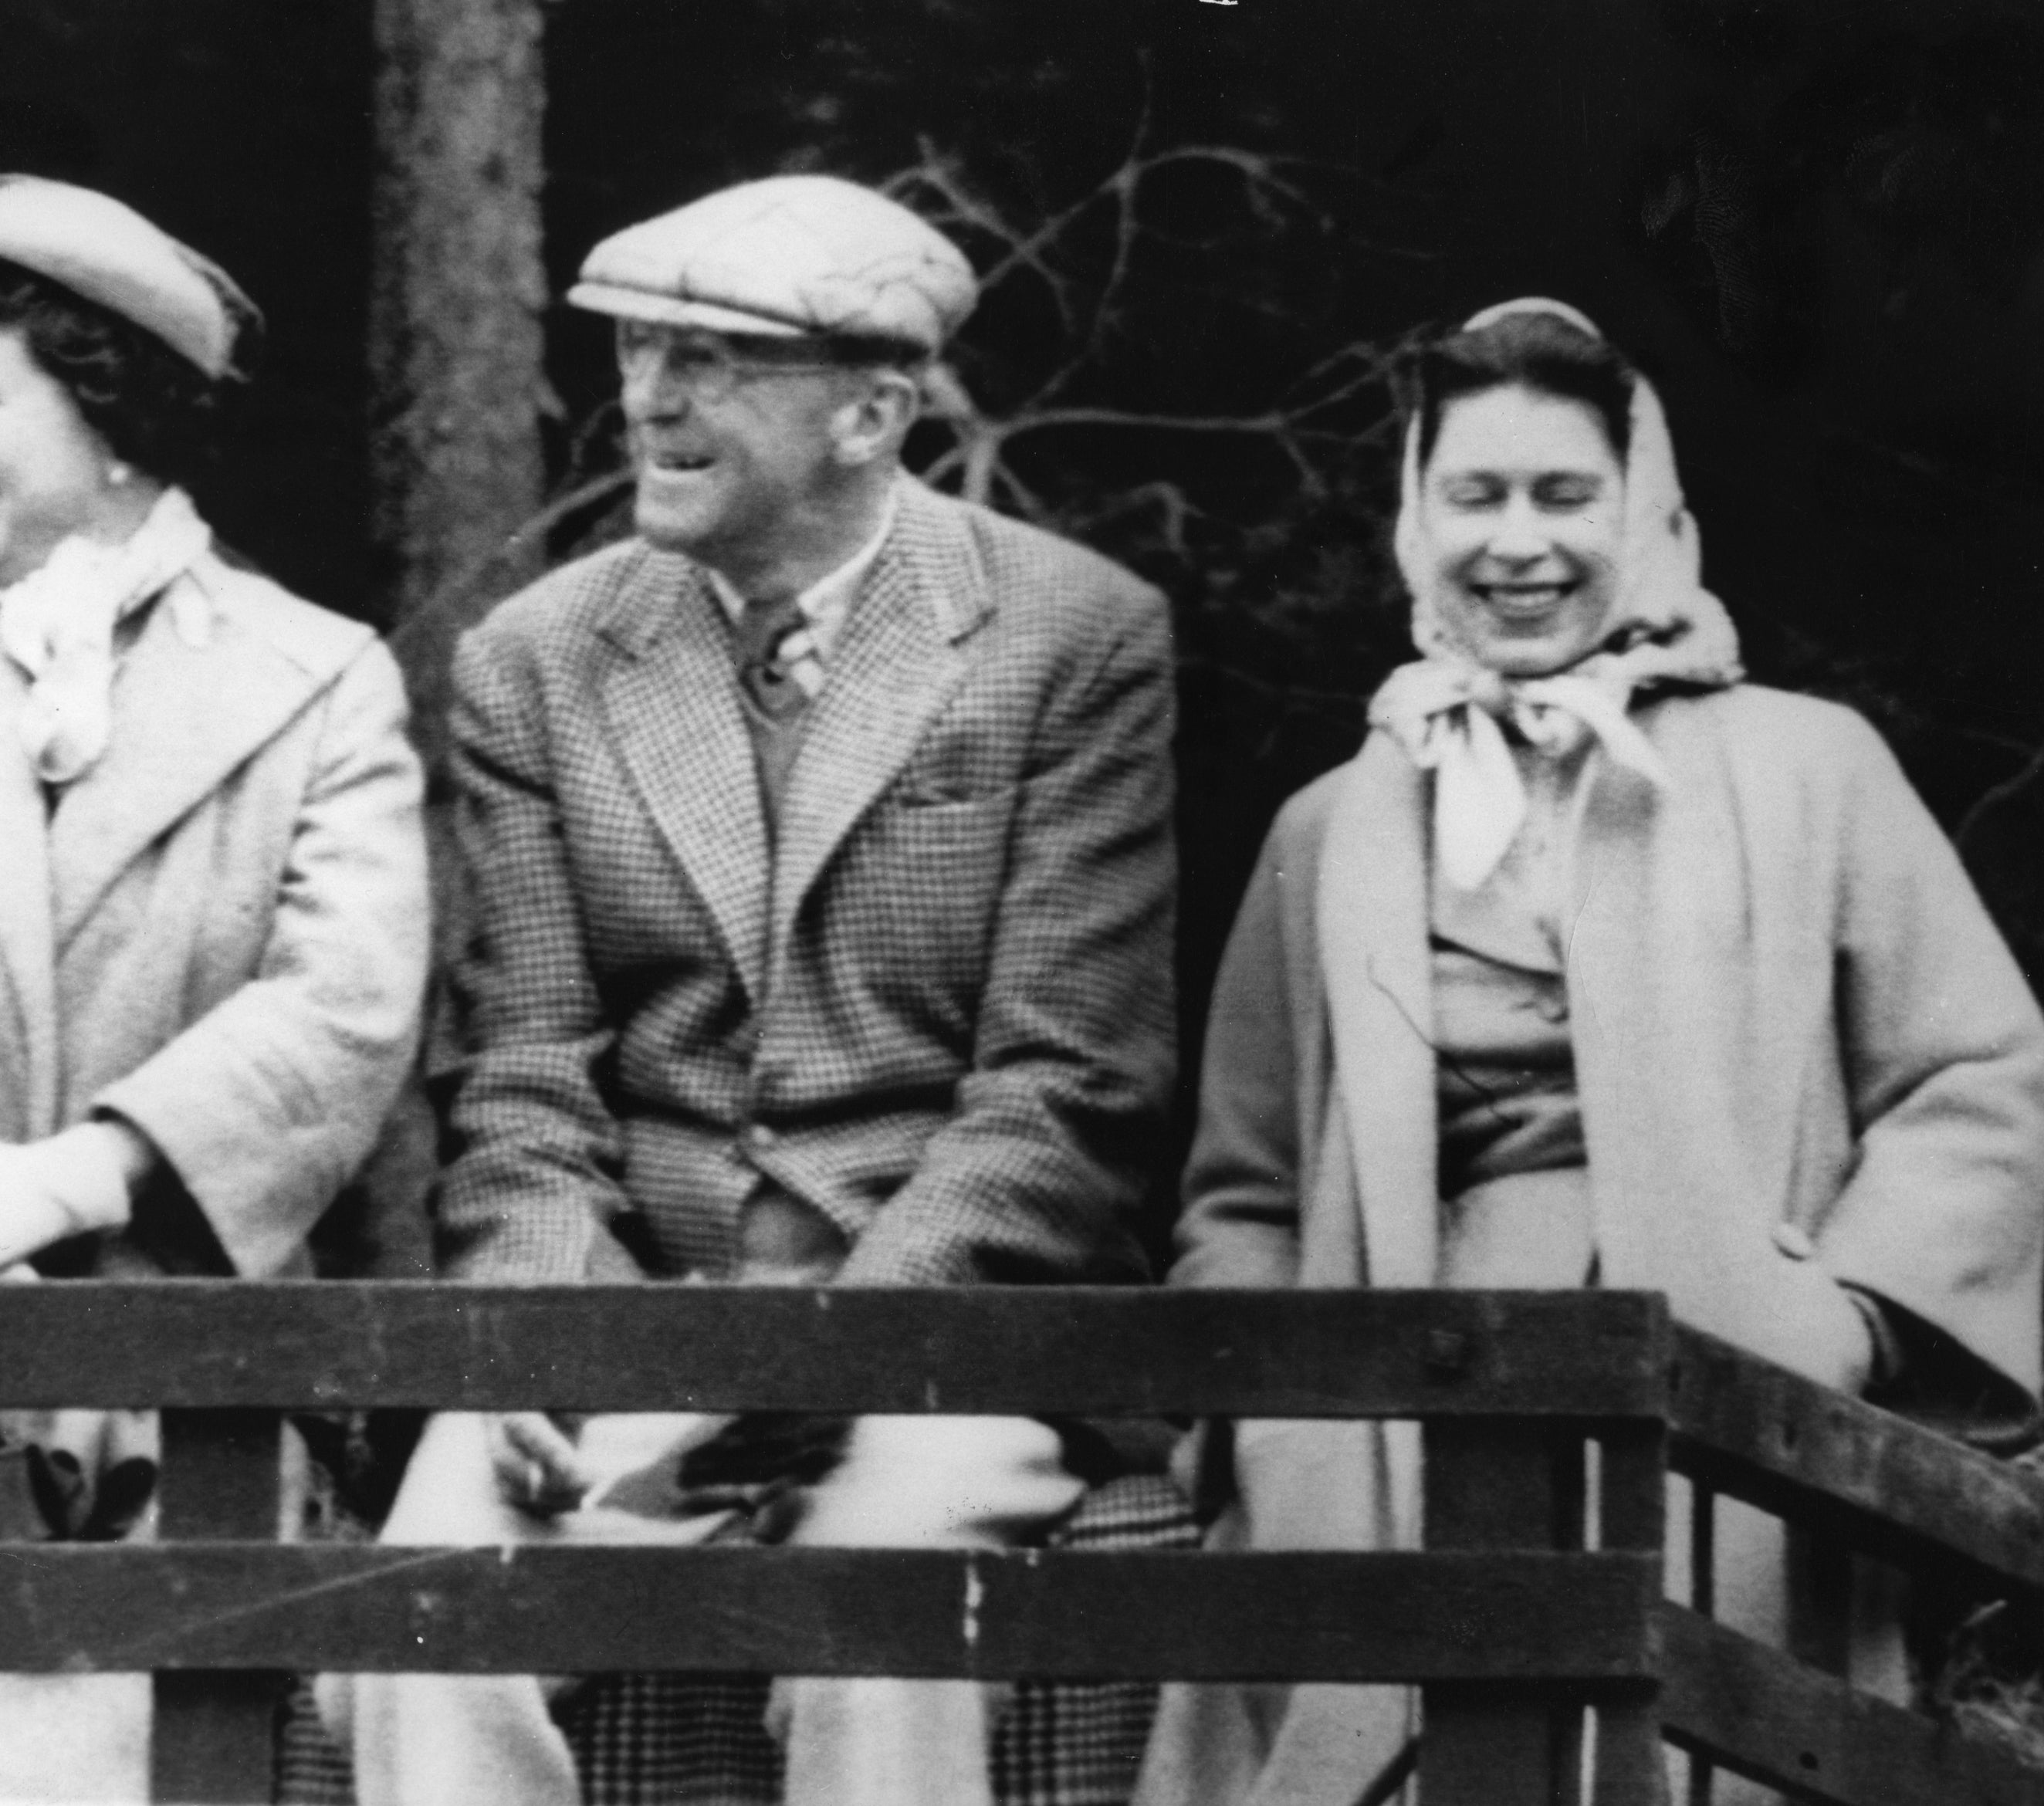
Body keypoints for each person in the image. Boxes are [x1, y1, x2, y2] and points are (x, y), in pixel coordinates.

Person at [316, 173, 1178, 1806]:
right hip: (631, 1325)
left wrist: (837, 1352)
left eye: (718, 360)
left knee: (875, 1632)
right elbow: (523, 1079)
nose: (652, 395)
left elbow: (1065, 1096)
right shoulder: (541, 657)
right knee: (419, 1627)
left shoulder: (1070, 638)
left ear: (872, 409)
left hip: (935, 1342)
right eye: (646, 349)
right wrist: (544, 1346)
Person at [1135, 299, 2044, 1806]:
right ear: (1414, 519)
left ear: (1649, 512)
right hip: (1391, 1423)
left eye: (1565, 495)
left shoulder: (1808, 767)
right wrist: (1275, 1409)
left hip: (1716, 1399)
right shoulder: (1332, 826)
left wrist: (1853, 1325)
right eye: (1473, 496)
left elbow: (1981, 1083)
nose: (1519, 544)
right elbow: (1241, 1190)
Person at [0, 174, 429, 1800]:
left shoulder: (317, 677)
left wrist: (70, 1180)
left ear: (108, 409)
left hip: (163, 1390)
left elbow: (343, 1006)